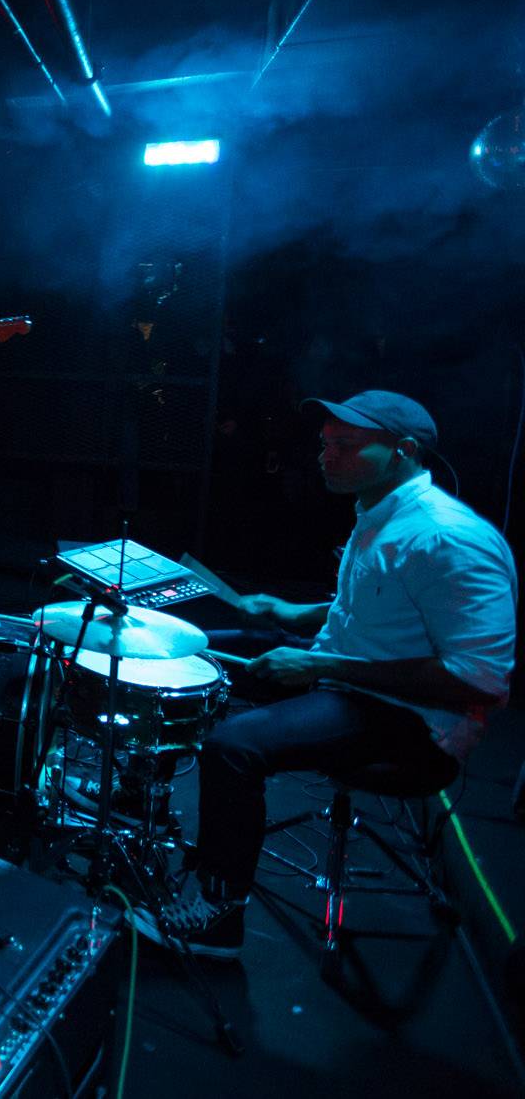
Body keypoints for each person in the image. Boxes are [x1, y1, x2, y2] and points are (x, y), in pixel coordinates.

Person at [131, 391, 515, 957]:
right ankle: (135, 802)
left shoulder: (449, 539)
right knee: (187, 653)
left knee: (234, 746)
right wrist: (293, 614)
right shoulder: (379, 511)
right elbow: (376, 605)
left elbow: (479, 681)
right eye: (325, 443)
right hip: (348, 673)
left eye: (345, 446)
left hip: (415, 724)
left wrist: (318, 663)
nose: (325, 456)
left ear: (403, 451)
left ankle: (218, 916)